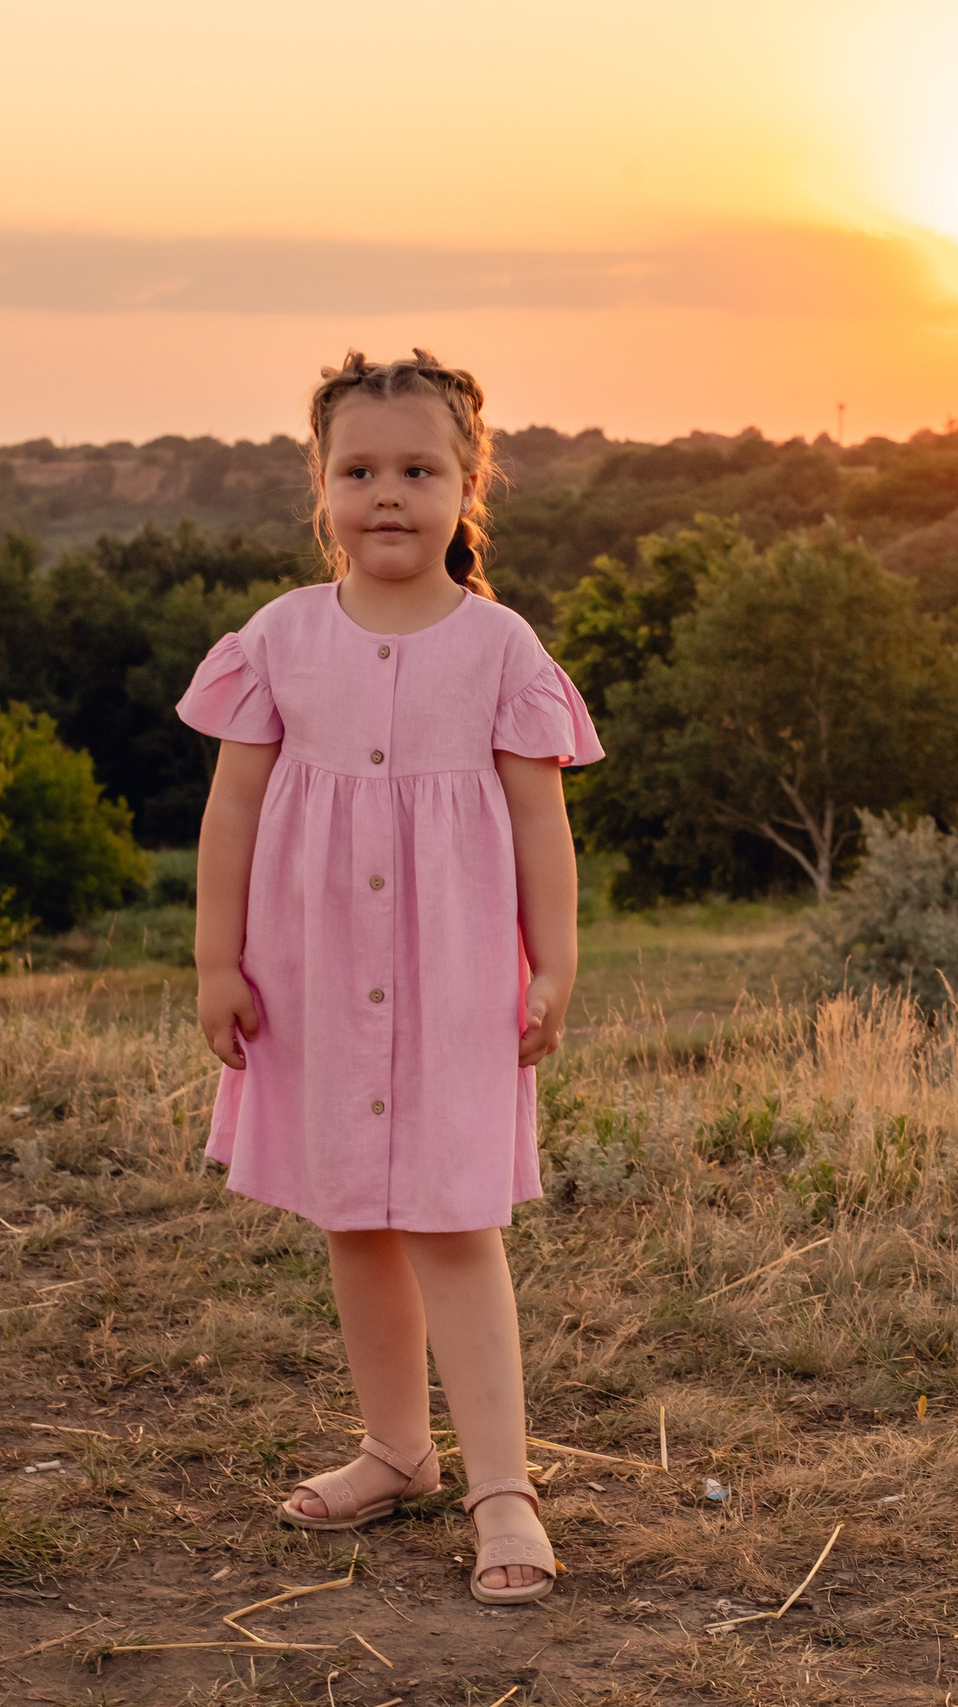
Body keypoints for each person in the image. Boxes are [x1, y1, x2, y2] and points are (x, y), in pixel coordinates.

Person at [176, 349, 601, 1605]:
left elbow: (539, 825)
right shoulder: (279, 638)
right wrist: (216, 959)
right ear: (320, 486)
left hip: (458, 978)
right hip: (310, 977)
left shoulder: (500, 647)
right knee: (353, 1217)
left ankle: (503, 1489)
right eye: (358, 470)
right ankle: (396, 1451)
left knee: (452, 1224)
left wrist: (556, 963)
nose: (388, 496)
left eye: (419, 469)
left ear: (470, 483)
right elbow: (233, 809)